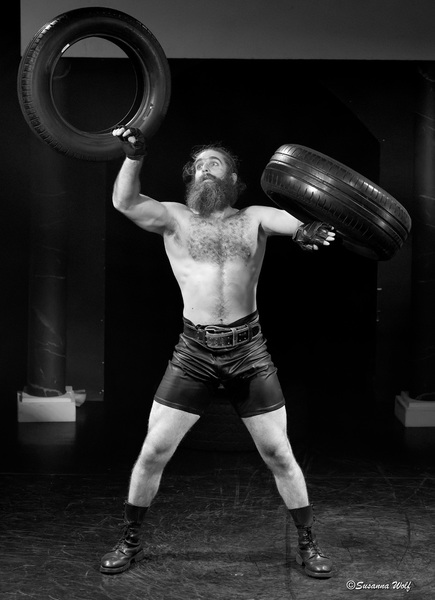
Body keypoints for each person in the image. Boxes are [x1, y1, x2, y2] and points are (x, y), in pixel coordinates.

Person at [100, 127, 335, 578]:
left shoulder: (254, 217)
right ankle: (129, 540)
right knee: (154, 451)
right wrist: (134, 156)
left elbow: (293, 224)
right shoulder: (174, 217)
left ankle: (308, 543)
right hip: (194, 351)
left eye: (215, 163)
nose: (205, 169)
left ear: (232, 179)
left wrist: (307, 230)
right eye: (198, 165)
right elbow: (125, 203)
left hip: (249, 350)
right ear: (191, 177)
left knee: (278, 453)